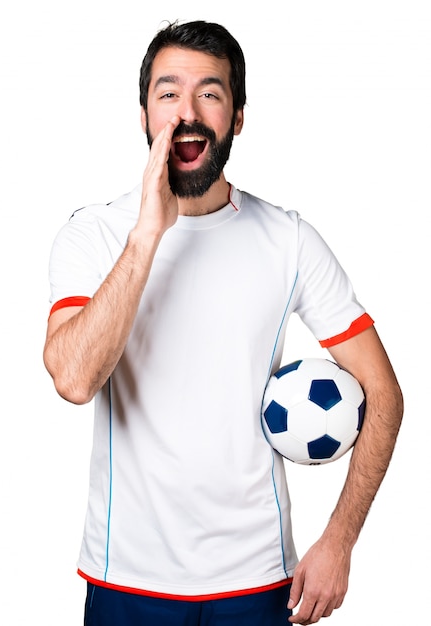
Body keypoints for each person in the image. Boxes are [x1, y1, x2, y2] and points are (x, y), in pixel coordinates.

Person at [43, 20, 403, 626]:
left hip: (261, 582)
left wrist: (339, 542)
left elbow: (384, 394)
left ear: (236, 117)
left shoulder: (289, 240)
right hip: (127, 579)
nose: (187, 112)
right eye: (168, 93)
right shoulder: (96, 234)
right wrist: (150, 231)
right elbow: (74, 380)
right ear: (143, 116)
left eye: (210, 93)